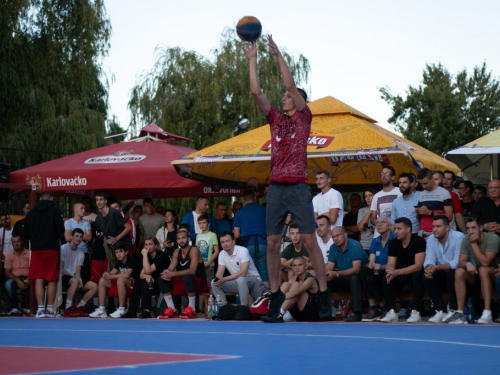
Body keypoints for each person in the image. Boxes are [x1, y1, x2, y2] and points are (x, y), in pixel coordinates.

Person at [244, 35, 331, 322]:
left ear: (298, 100)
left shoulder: (303, 118)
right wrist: (253, 59)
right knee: (271, 242)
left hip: (298, 186)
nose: (283, 96)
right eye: (282, 96)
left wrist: (279, 55)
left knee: (308, 239)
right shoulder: (275, 120)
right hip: (277, 188)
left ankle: (323, 293)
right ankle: (274, 297)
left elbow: (290, 84)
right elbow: (256, 92)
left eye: (287, 96)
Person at [448, 217, 500, 324]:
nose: (471, 231)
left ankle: (487, 312)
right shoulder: (466, 239)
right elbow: (460, 262)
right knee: (459, 272)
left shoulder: (493, 238)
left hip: (494, 273)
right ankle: (460, 313)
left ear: (481, 228)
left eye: (473, 228)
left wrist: (474, 244)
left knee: (483, 270)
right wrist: (467, 263)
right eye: (468, 229)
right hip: (475, 273)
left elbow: (485, 262)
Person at [23, 190, 65, 318]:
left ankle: (40, 309)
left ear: (41, 199)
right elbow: (60, 228)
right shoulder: (55, 209)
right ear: (51, 199)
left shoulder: (31, 213)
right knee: (51, 277)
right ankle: (50, 309)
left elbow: (26, 233)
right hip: (52, 248)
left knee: (38, 278)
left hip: (36, 249)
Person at [381, 217, 425, 323]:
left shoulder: (418, 241)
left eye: (399, 229)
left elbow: (418, 265)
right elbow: (391, 263)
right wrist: (390, 270)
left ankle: (416, 312)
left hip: (415, 273)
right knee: (386, 277)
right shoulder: (393, 243)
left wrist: (396, 272)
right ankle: (392, 312)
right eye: (395, 228)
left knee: (417, 275)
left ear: (408, 229)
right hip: (401, 274)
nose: (395, 231)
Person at [423, 215, 464, 323]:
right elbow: (429, 259)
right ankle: (440, 310)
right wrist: (429, 268)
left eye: (438, 226)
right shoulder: (431, 238)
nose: (434, 229)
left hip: (459, 273)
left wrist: (436, 267)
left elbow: (457, 262)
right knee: (427, 276)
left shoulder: (459, 237)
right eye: (433, 226)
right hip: (441, 271)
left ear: (447, 228)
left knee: (452, 273)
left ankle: (454, 309)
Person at [211, 232, 269, 307]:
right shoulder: (222, 253)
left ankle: (243, 307)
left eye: (227, 241)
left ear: (233, 241)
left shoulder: (243, 250)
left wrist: (224, 279)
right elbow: (219, 271)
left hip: (253, 280)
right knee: (214, 283)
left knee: (241, 279)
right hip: (238, 281)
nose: (225, 244)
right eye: (222, 242)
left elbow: (243, 272)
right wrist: (219, 277)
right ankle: (223, 307)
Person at [157, 230, 206, 319]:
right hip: (183, 281)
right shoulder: (176, 251)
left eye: (183, 238)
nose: (181, 240)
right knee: (162, 279)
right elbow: (170, 269)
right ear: (176, 241)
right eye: (179, 239)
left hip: (198, 282)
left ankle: (192, 309)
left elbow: (192, 271)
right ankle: (171, 309)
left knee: (188, 276)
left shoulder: (194, 250)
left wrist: (173, 273)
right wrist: (166, 273)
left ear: (188, 239)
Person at [89, 241, 141, 318]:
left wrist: (110, 276)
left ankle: (121, 309)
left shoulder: (131, 260)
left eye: (121, 252)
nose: (119, 254)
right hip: (123, 286)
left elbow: (127, 275)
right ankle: (102, 309)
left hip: (135, 286)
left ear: (126, 252)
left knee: (121, 279)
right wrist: (106, 275)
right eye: (116, 252)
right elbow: (112, 273)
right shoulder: (119, 262)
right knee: (102, 280)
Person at [326, 227, 367, 322]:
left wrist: (336, 273)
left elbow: (356, 270)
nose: (335, 238)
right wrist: (327, 272)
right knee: (326, 280)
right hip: (345, 278)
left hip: (361, 280)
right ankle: (326, 311)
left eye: (338, 235)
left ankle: (357, 313)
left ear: (345, 235)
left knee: (354, 278)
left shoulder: (355, 245)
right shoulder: (333, 247)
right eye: (333, 237)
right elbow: (329, 266)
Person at [360, 217, 395, 321]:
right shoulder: (375, 241)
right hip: (378, 270)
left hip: (392, 271)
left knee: (386, 275)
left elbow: (391, 265)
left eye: (382, 222)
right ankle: (375, 307)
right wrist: (371, 264)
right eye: (377, 223)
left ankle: (385, 308)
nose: (379, 225)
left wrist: (377, 266)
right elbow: (372, 259)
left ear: (389, 226)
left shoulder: (394, 239)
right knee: (364, 273)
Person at [123, 237, 168, 319]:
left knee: (143, 281)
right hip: (150, 282)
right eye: (146, 244)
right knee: (139, 281)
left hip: (162, 282)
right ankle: (132, 310)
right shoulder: (147, 257)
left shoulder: (161, 255)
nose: (148, 247)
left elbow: (148, 270)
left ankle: (146, 310)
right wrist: (147, 276)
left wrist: (144, 255)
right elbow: (142, 274)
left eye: (150, 244)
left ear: (156, 245)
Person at [233, 190, 268, 284]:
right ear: (255, 198)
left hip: (247, 246)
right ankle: (267, 297)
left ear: (244, 200)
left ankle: (254, 298)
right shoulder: (264, 210)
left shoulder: (239, 213)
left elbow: (236, 234)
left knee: (252, 275)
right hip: (263, 243)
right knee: (264, 274)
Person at [61, 228, 97, 317]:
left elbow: (78, 271)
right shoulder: (63, 248)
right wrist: (76, 279)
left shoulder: (81, 254)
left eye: (81, 237)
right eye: (76, 236)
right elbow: (61, 269)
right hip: (63, 276)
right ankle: (67, 309)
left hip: (74, 278)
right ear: (72, 237)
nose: (79, 239)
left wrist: (79, 280)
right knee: (75, 281)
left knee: (94, 286)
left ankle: (78, 308)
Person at [276, 256, 321, 322]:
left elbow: (295, 292)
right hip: (298, 314)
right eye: (294, 265)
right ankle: (275, 310)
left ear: (305, 266)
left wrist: (278, 297)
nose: (297, 268)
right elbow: (285, 289)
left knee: (296, 285)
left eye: (300, 265)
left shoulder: (310, 279)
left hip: (311, 315)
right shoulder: (293, 279)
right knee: (286, 284)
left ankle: (280, 312)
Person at [95, 192, 132, 271]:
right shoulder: (98, 218)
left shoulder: (114, 212)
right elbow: (105, 235)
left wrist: (116, 238)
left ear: (106, 201)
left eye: (101, 199)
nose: (99, 202)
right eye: (97, 200)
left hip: (122, 244)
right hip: (111, 246)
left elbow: (128, 228)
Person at [416, 168, 453, 238]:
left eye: (425, 183)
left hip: (438, 234)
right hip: (422, 232)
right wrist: (418, 212)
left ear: (432, 178)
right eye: (421, 184)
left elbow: (449, 217)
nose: (423, 187)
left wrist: (430, 213)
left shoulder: (444, 193)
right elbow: (419, 219)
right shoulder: (421, 194)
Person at [370, 166, 401, 237]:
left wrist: (390, 225)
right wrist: (381, 224)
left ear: (393, 177)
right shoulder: (376, 196)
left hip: (395, 233)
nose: (383, 176)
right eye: (382, 173)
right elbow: (372, 218)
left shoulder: (399, 192)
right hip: (379, 235)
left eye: (387, 174)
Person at [64, 203, 92, 280]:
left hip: (83, 251)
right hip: (71, 251)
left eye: (84, 209)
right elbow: (67, 237)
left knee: (84, 276)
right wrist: (83, 236)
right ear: (75, 210)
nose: (84, 210)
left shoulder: (87, 223)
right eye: (81, 208)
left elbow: (89, 237)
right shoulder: (68, 222)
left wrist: (75, 236)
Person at [3, 234, 30, 315]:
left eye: (18, 241)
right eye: (14, 242)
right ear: (12, 243)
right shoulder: (9, 255)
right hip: (14, 278)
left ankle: (28, 307)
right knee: (7, 284)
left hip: (29, 278)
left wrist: (29, 279)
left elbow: (34, 269)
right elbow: (7, 272)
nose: (16, 244)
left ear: (22, 242)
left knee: (36, 283)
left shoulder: (29, 253)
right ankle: (15, 307)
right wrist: (18, 281)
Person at [195, 214, 219, 283]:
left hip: (209, 264)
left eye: (204, 223)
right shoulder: (198, 236)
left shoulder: (213, 235)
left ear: (208, 224)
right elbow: (197, 251)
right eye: (200, 223)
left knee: (210, 284)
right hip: (200, 265)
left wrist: (208, 263)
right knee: (200, 284)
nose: (202, 225)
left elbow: (216, 251)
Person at [357, 188, 377, 252]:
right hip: (365, 245)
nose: (368, 198)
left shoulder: (380, 209)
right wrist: (369, 211)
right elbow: (360, 228)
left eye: (370, 195)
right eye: (366, 196)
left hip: (378, 244)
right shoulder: (362, 210)